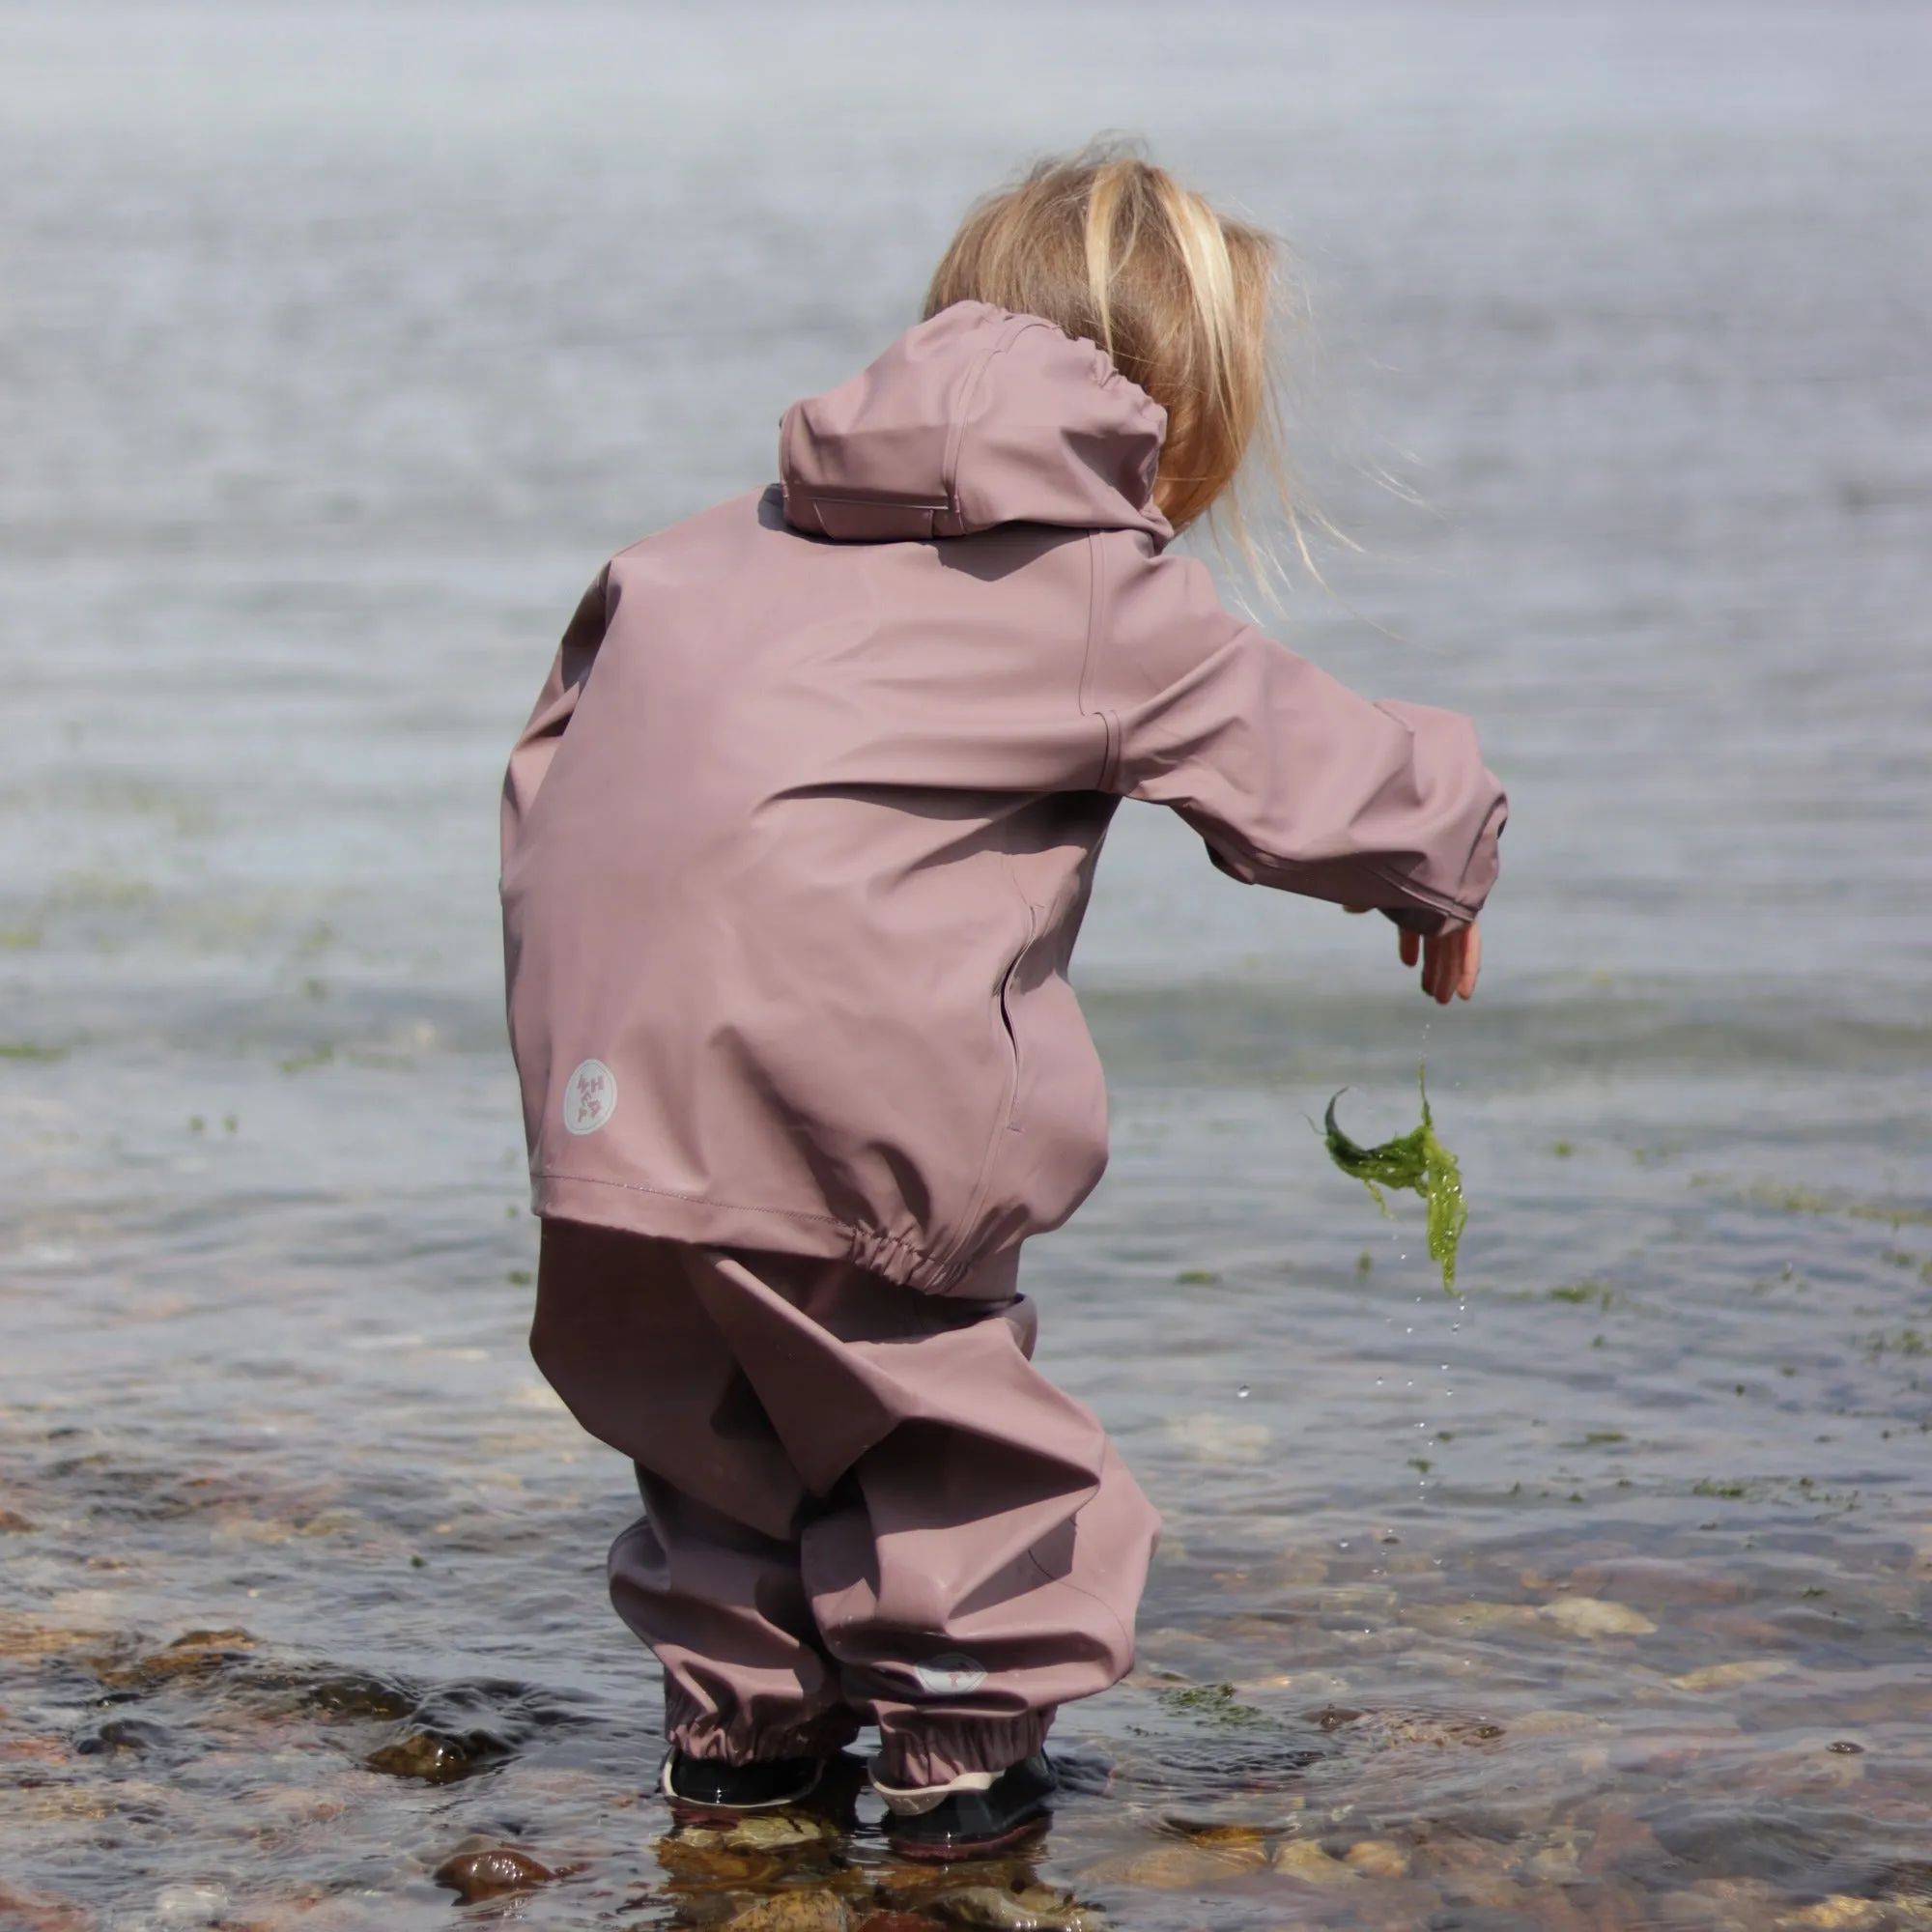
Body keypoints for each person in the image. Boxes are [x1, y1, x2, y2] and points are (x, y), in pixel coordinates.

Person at [500, 149, 1504, 1860]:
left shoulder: (691, 556)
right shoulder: (1091, 587)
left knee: (721, 1446)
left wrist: (595, 1051)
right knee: (964, 1465)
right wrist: (1455, 847)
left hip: (603, 1110)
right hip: (838, 1114)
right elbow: (1328, 783)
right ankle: (962, 1810)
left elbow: (551, 774)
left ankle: (736, 1786)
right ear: (1179, 428)